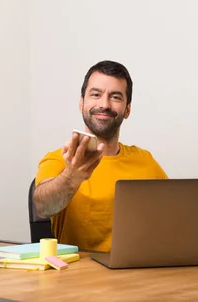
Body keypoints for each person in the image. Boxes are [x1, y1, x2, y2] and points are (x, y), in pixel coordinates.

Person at [33, 60, 168, 252]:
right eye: (96, 95)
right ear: (82, 103)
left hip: (137, 275)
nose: (104, 104)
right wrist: (71, 177)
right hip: (77, 276)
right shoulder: (59, 159)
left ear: (127, 109)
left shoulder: (145, 161)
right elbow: (42, 207)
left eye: (115, 97)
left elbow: (173, 217)